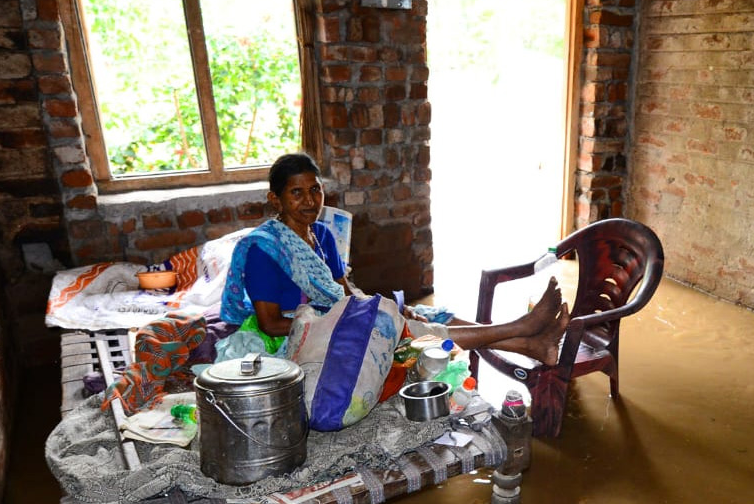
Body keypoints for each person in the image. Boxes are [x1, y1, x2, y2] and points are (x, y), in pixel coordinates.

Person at [220, 152, 569, 364]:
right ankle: (523, 331)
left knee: (429, 315)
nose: (310, 201)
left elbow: (343, 292)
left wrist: (378, 306)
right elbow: (270, 324)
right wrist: (335, 320)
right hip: (296, 335)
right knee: (413, 332)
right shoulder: (263, 251)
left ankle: (532, 345)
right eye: (296, 193)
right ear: (275, 199)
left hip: (337, 315)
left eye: (315, 190)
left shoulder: (323, 235)